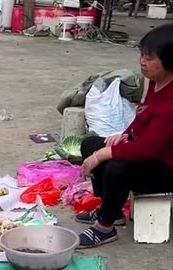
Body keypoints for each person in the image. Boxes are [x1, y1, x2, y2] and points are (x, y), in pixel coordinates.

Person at [75, 23, 173, 249]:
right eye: (142, 55)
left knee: (115, 166)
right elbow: (142, 117)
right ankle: (113, 210)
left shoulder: (171, 104)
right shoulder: (157, 83)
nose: (142, 62)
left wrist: (102, 155)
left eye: (149, 58)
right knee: (90, 143)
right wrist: (125, 135)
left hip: (167, 168)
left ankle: (104, 228)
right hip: (152, 153)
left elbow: (149, 148)